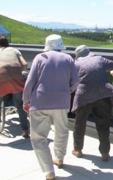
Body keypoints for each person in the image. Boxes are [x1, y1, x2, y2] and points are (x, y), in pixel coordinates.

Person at [23, 34, 80, 180]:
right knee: (62, 130)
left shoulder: (40, 57)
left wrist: (26, 100)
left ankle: (49, 171)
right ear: (61, 45)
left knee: (38, 137)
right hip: (62, 101)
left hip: (40, 101)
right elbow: (76, 82)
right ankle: (59, 158)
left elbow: (30, 81)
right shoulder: (68, 59)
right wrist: (67, 91)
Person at [71, 45, 113, 161]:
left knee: (80, 123)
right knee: (103, 123)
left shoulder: (76, 64)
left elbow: (71, 80)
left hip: (84, 96)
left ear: (78, 56)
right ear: (89, 53)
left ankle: (77, 150)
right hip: (102, 94)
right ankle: (105, 153)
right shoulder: (99, 59)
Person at [0, 35, 29, 144]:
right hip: (17, 79)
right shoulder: (14, 50)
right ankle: (25, 130)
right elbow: (25, 64)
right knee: (20, 104)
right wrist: (16, 73)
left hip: (2, 79)